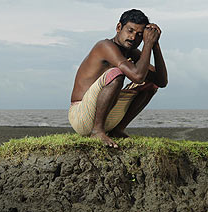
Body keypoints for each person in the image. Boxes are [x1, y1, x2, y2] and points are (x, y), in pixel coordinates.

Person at [68, 9, 168, 148]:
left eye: (139, 35)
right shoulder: (105, 46)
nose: (133, 37)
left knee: (150, 85)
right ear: (119, 28)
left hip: (104, 115)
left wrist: (155, 45)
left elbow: (161, 82)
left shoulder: (131, 52)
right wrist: (147, 45)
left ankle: (117, 130)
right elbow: (137, 76)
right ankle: (97, 131)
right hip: (81, 116)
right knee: (117, 73)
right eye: (130, 30)